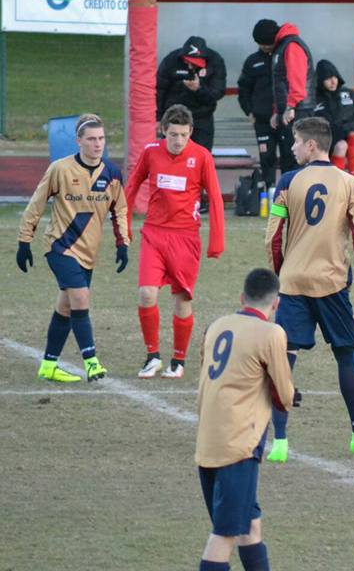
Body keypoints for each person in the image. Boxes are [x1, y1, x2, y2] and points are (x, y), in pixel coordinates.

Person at [264, 117, 354, 462]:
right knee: (345, 354)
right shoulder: (350, 183)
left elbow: (273, 237)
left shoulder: (288, 183)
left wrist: (281, 275)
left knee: (285, 358)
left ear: (310, 145)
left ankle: (278, 442)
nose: (291, 148)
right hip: (332, 284)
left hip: (292, 283)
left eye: (295, 142)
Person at [196, 268, 298, 571]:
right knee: (224, 537)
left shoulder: (217, 325)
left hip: (207, 441)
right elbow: (285, 396)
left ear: (242, 298)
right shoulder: (272, 333)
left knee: (250, 527)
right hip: (238, 446)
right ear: (276, 303)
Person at [17, 114, 129, 382]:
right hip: (59, 246)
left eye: (101, 138)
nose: (97, 144)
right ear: (78, 141)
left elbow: (121, 210)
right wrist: (24, 241)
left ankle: (48, 365)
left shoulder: (112, 174)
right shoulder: (60, 169)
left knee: (66, 307)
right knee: (80, 299)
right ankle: (91, 362)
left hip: (88, 253)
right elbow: (36, 204)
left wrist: (123, 243)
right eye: (91, 139)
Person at [126, 104, 226, 380]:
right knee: (146, 293)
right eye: (173, 135)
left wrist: (216, 241)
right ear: (163, 131)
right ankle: (152, 356)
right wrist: (123, 225)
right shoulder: (150, 153)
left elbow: (215, 198)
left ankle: (178, 361)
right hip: (154, 234)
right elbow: (132, 185)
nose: (178, 140)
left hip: (186, 238)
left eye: (183, 134)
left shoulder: (202, 156)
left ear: (190, 132)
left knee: (181, 300)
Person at [156, 36, 227, 152]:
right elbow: (159, 90)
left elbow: (217, 93)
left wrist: (198, 89)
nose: (189, 66)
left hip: (202, 118)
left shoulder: (215, 61)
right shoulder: (171, 60)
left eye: (194, 63)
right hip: (174, 117)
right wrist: (158, 118)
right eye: (187, 61)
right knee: (173, 155)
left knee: (201, 156)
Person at [313, 59, 354, 176]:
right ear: (320, 80)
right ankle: (338, 184)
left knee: (352, 134)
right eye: (328, 78)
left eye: (335, 77)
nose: (333, 81)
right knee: (341, 145)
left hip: (350, 141)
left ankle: (353, 176)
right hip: (325, 141)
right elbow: (307, 124)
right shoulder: (313, 99)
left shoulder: (349, 95)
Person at [267, 20, 315, 176]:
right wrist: (277, 111)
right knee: (288, 158)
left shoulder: (291, 46)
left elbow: (297, 80)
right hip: (289, 111)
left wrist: (291, 106)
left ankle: (299, 199)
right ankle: (287, 199)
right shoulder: (282, 47)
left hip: (298, 111)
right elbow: (279, 84)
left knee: (297, 159)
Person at [238, 19, 281, 189]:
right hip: (262, 120)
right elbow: (244, 89)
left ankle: (291, 196)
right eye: (261, 44)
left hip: (285, 118)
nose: (265, 47)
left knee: (289, 156)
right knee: (266, 157)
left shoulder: (285, 57)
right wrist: (249, 111)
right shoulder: (252, 61)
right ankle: (269, 193)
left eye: (267, 43)